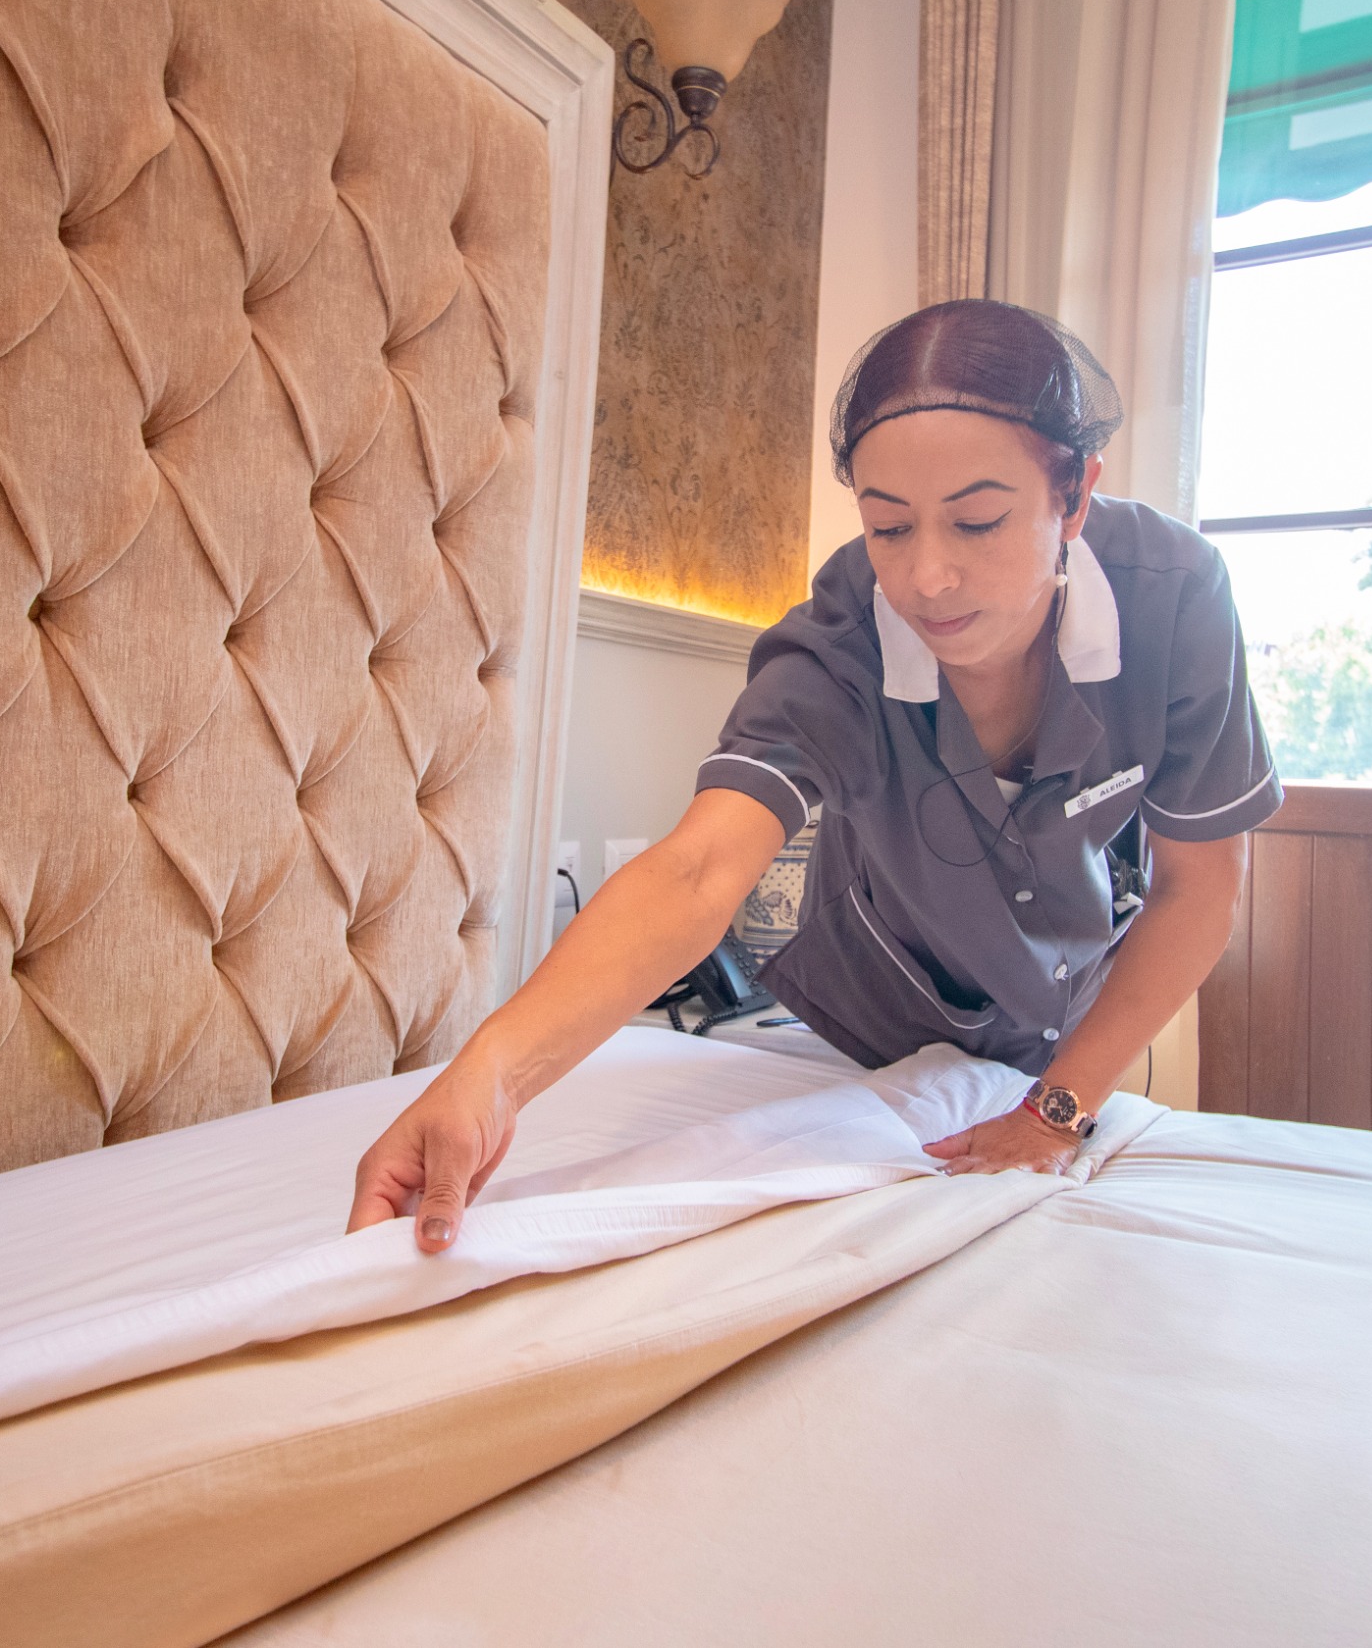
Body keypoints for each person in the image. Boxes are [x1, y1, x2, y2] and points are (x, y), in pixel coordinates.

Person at [348, 300, 1280, 1250]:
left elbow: (1201, 884)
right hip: (874, 1035)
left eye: (978, 521)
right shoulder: (840, 642)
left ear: (1073, 496)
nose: (928, 579)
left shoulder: (1175, 597)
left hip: (1072, 1012)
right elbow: (697, 870)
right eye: (889, 527)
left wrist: (1057, 1110)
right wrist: (487, 1079)